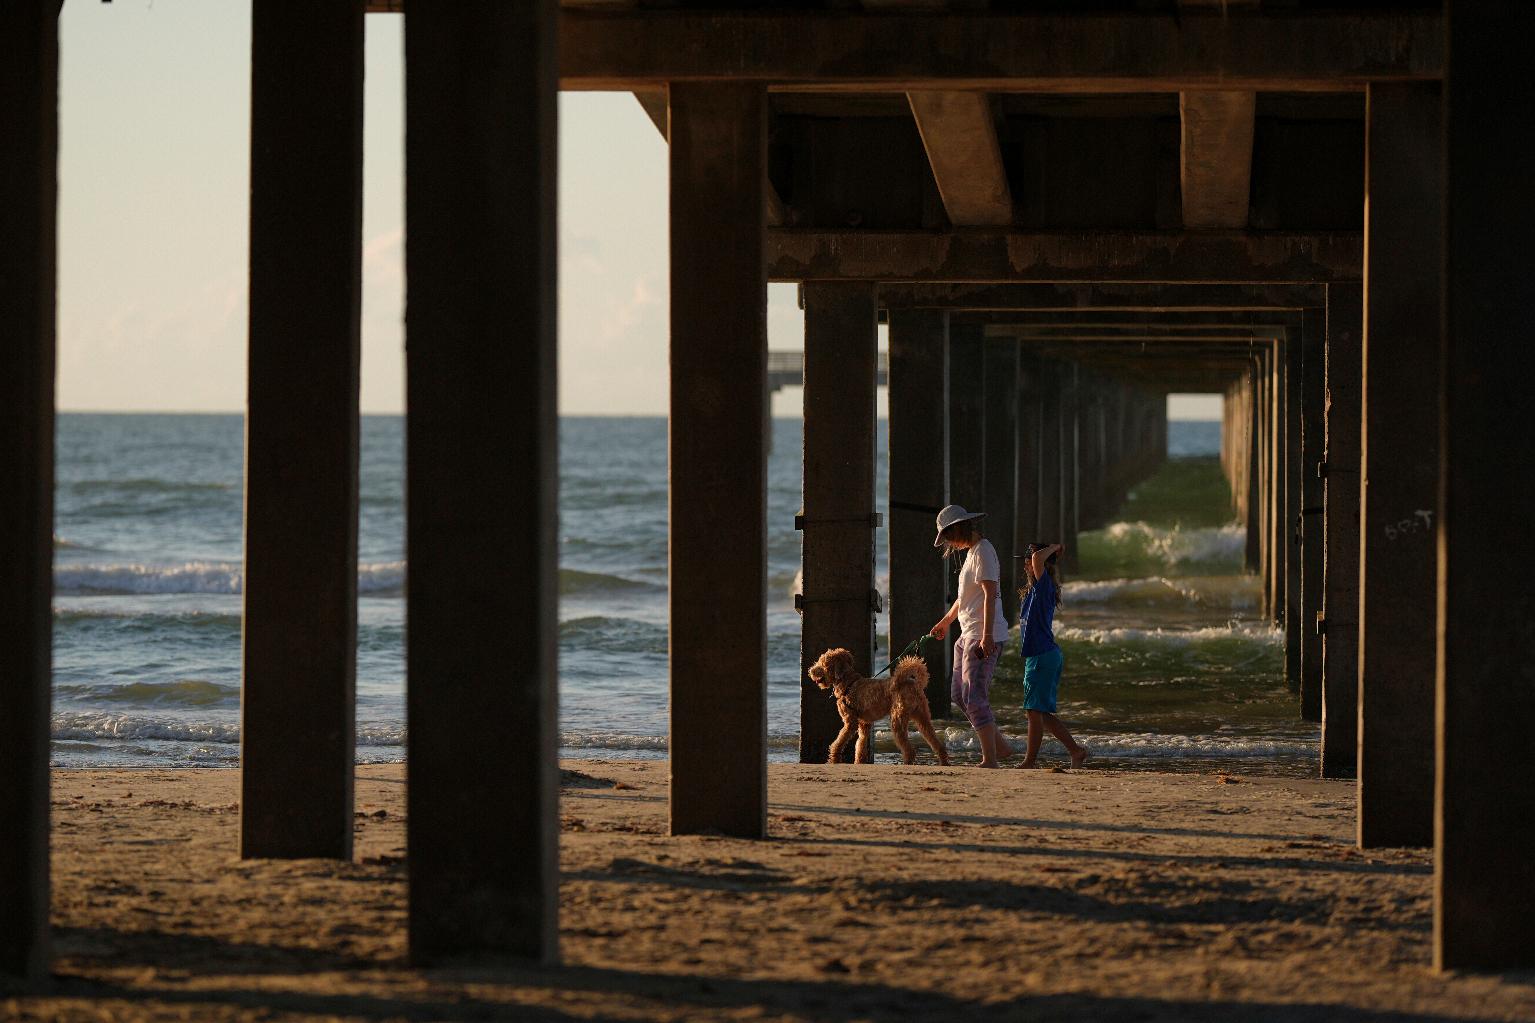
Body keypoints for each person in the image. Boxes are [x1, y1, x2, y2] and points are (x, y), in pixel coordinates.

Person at [929, 504, 1014, 768]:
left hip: (982, 634)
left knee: (974, 697)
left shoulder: (984, 552)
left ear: (959, 529)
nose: (949, 544)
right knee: (958, 694)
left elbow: (990, 595)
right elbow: (964, 599)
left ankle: (990, 759)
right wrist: (945, 621)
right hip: (967, 634)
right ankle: (1001, 749)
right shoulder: (971, 553)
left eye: (949, 537)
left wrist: (987, 637)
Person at [1018, 541, 1089, 769]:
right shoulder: (1034, 591)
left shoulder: (1043, 585)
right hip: (1039, 655)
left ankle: (1029, 761)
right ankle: (1076, 751)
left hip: (1042, 655)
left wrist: (1056, 546)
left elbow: (1039, 559)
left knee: (1033, 711)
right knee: (1040, 713)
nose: (1026, 565)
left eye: (1028, 561)